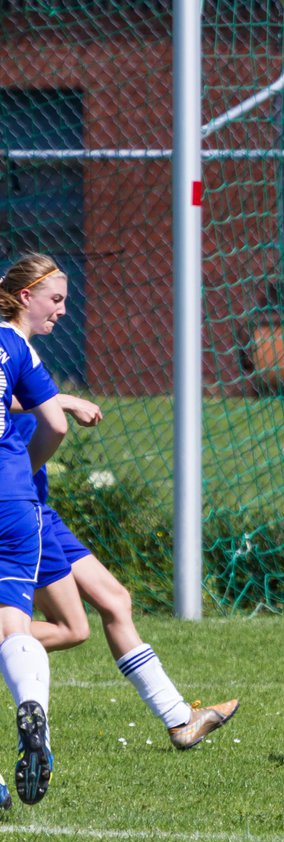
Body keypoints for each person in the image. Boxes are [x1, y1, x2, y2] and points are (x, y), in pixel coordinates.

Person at [12, 392, 239, 750]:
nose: (55, 329)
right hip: (17, 511)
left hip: (39, 507)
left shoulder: (22, 349)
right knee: (72, 629)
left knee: (115, 600)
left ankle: (180, 720)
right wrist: (63, 401)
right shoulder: (8, 342)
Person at [0, 253, 69, 807]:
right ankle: (34, 710)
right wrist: (27, 469)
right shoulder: (17, 347)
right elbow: (56, 423)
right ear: (26, 297)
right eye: (56, 299)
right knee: (14, 625)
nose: (63, 312)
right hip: (15, 501)